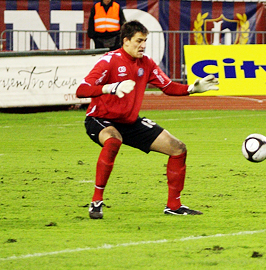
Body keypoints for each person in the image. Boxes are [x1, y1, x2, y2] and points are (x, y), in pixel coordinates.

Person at [76, 20, 219, 219]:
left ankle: (174, 206)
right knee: (113, 140)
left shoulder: (147, 63)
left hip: (129, 122)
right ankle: (96, 201)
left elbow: (168, 86)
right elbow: (81, 90)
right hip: (100, 119)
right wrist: (110, 88)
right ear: (126, 41)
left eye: (145, 41)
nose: (143, 45)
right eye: (139, 41)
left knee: (178, 148)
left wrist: (191, 89)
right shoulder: (109, 61)